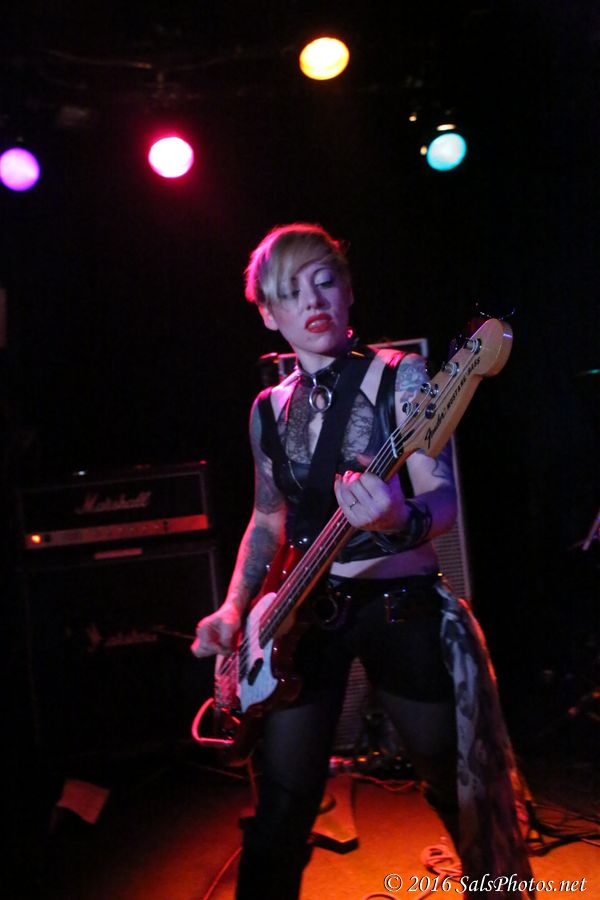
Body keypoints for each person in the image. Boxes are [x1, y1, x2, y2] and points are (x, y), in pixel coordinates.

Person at [192, 223, 535, 899]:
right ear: (268, 313)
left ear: (348, 291)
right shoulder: (268, 409)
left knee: (453, 785)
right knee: (282, 808)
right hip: (302, 617)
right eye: (290, 290)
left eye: (325, 280)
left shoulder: (401, 377)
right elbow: (267, 520)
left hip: (399, 605)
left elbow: (442, 499)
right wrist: (233, 608)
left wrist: (397, 519)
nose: (312, 299)